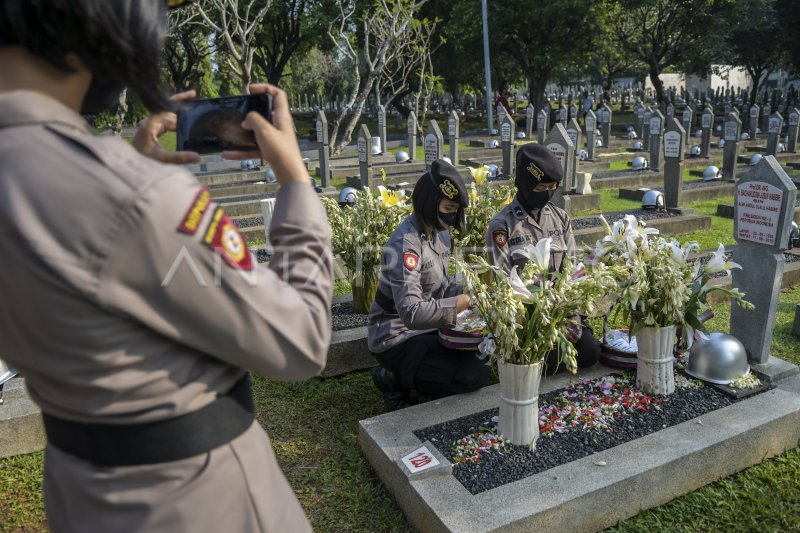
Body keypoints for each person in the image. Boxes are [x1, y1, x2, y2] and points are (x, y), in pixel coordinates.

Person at [0, 1, 332, 531]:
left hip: (82, 490)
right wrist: (295, 182)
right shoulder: (134, 194)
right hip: (199, 499)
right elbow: (301, 339)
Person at [368, 160, 490, 411]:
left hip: (430, 328)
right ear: (429, 201)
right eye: (448, 207)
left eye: (455, 210)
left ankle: (418, 373)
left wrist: (474, 296)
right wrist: (462, 302)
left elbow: (441, 286)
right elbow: (411, 313)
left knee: (483, 357)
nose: (452, 216)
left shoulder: (440, 232)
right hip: (397, 335)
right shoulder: (405, 244)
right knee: (472, 376)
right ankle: (392, 378)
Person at [485, 144, 600, 375]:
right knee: (549, 358)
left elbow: (573, 271)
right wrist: (543, 322)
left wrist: (573, 316)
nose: (547, 193)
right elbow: (505, 283)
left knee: (590, 353)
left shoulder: (560, 218)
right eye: (541, 187)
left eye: (552, 187)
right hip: (528, 320)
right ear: (526, 185)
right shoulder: (503, 225)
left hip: (562, 312)